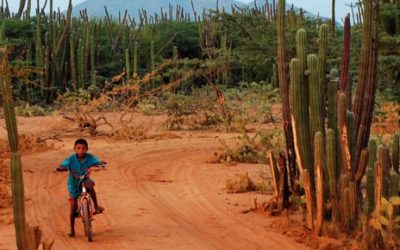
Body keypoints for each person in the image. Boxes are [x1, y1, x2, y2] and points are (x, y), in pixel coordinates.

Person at [56, 138, 105, 237]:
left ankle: (96, 206)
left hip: (85, 180)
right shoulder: (71, 159)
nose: (81, 150)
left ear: (87, 149)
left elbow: (97, 161)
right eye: (78, 148)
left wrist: (101, 163)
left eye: (83, 148)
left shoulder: (90, 157)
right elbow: (63, 164)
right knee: (73, 208)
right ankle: (72, 230)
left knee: (90, 185)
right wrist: (62, 167)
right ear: (74, 149)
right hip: (73, 185)